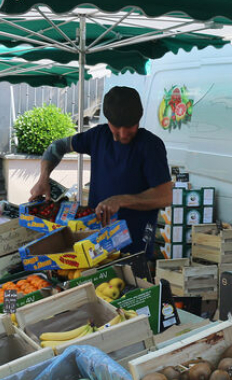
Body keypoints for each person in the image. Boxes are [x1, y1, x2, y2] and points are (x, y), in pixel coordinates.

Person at [29, 86, 171, 255]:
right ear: (108, 121)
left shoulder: (150, 146)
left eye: (130, 127)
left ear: (139, 120)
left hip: (135, 248)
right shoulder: (98, 136)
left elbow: (165, 195)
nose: (124, 134)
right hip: (95, 245)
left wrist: (122, 200)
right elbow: (57, 146)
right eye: (117, 127)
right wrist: (43, 178)